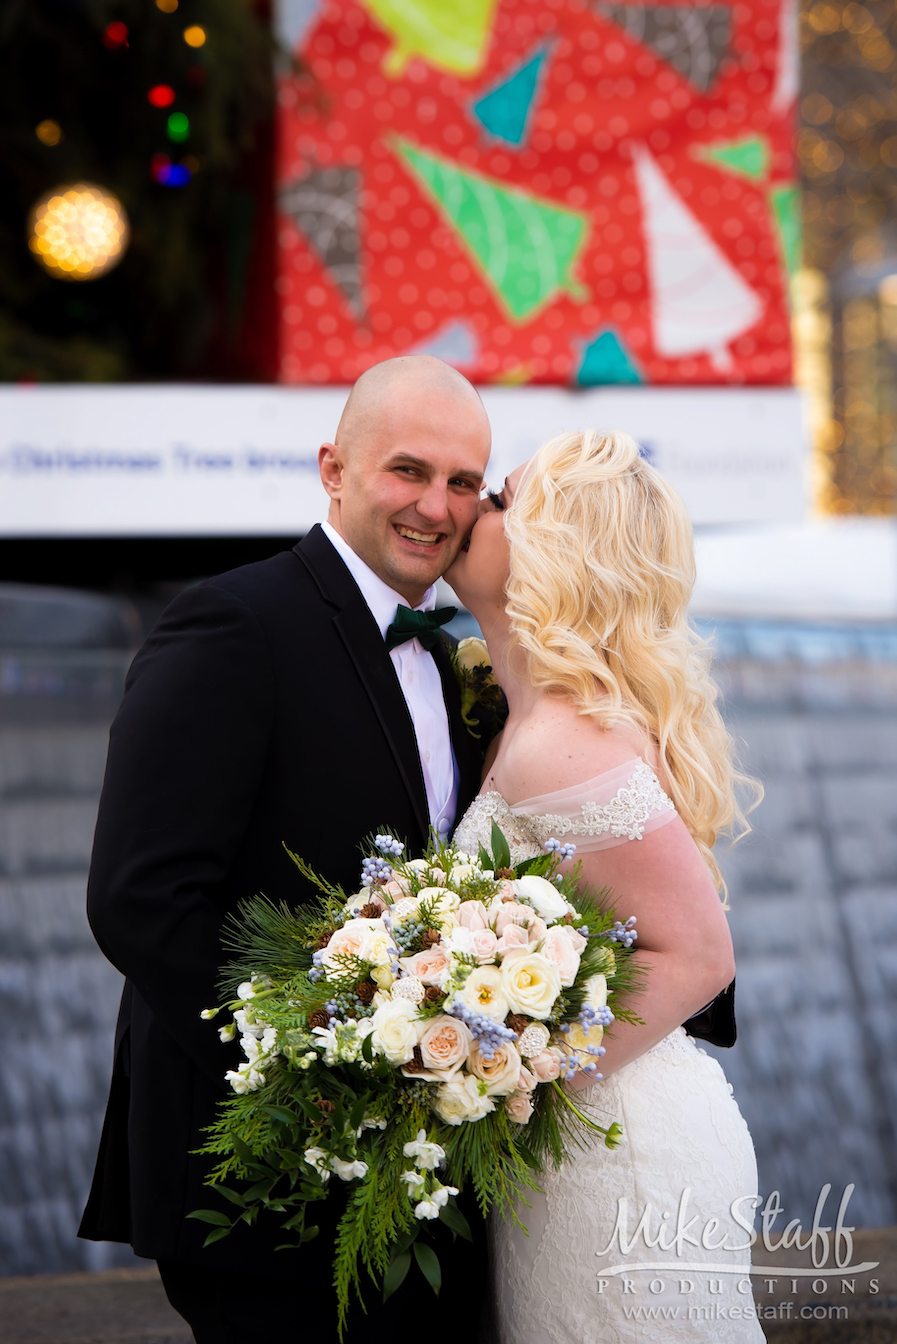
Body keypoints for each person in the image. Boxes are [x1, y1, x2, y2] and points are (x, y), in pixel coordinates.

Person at [78, 356, 494, 1343]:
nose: (436, 506)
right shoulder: (233, 623)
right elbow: (142, 899)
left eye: (464, 482)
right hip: (257, 1178)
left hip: (415, 1176)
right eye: (408, 471)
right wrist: (319, 1074)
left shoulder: (455, 653)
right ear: (332, 469)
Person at [447, 427, 765, 1344]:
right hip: (583, 1147)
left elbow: (699, 956)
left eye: (501, 499)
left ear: (554, 547)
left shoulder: (563, 743)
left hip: (616, 1156)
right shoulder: (532, 721)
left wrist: (504, 1088)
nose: (473, 508)